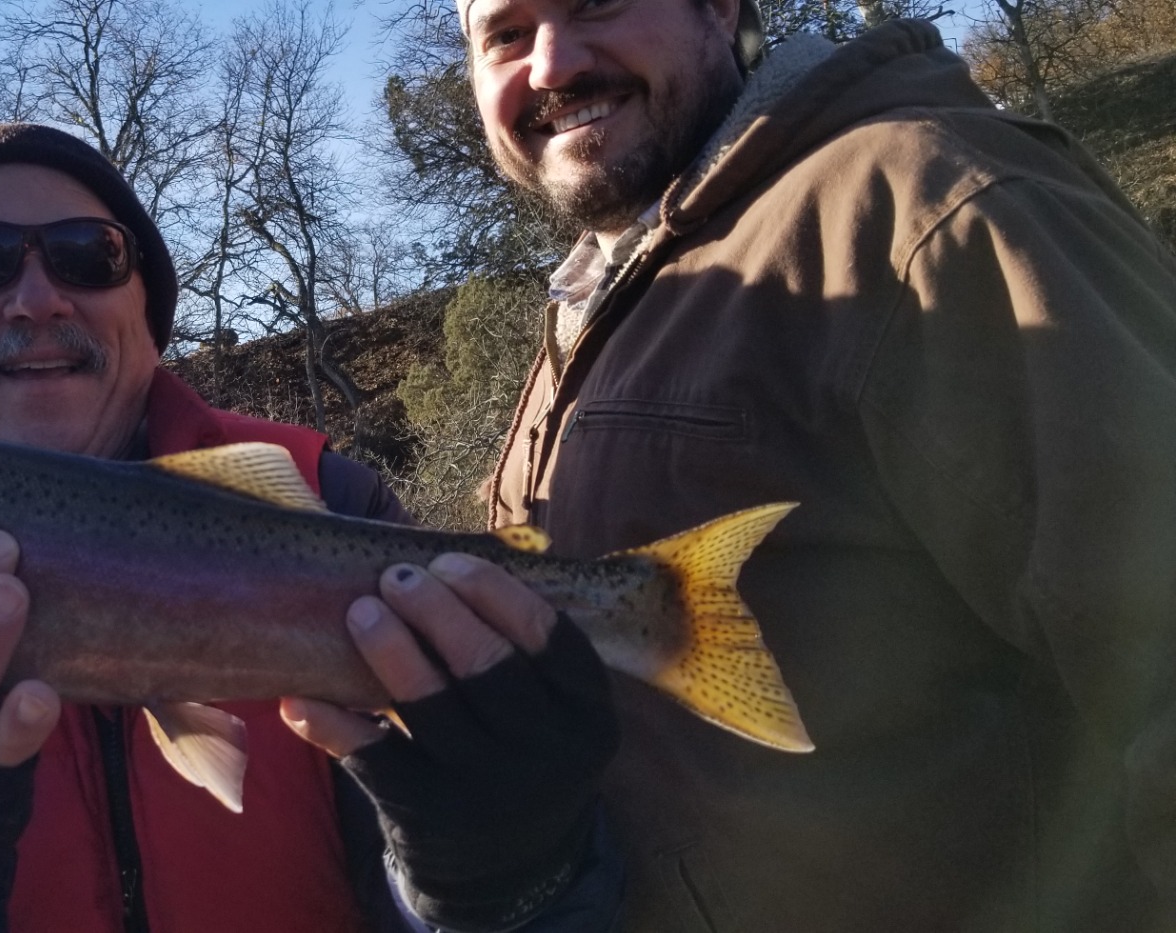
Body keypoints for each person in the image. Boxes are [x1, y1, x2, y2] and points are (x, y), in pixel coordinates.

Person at [0, 123, 624, 933]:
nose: (38, 297)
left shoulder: (334, 501)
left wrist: (507, 877)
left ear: (148, 316)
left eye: (89, 256)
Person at [460, 0, 1176, 927]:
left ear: (722, 10)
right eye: (506, 34)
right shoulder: (604, 300)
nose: (550, 65)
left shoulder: (933, 203)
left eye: (597, 3)